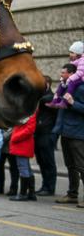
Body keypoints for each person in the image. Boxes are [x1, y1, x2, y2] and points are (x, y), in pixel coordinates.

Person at [53, 68, 84, 207]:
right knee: (70, 166)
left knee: (81, 166)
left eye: (63, 72)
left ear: (72, 74)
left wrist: (73, 102)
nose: (61, 75)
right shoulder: (65, 87)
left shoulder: (81, 88)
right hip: (65, 131)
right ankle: (72, 194)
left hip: (78, 133)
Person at [35, 75, 58, 196]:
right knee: (41, 161)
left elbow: (49, 101)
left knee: (48, 162)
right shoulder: (41, 98)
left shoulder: (50, 97)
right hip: (38, 134)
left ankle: (50, 187)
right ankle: (45, 185)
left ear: (47, 84)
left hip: (47, 134)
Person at [9, 110, 37, 201]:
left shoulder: (30, 113)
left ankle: (23, 194)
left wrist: (15, 137)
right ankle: (31, 193)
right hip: (21, 144)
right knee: (27, 169)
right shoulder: (25, 112)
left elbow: (30, 129)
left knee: (23, 169)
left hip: (22, 144)